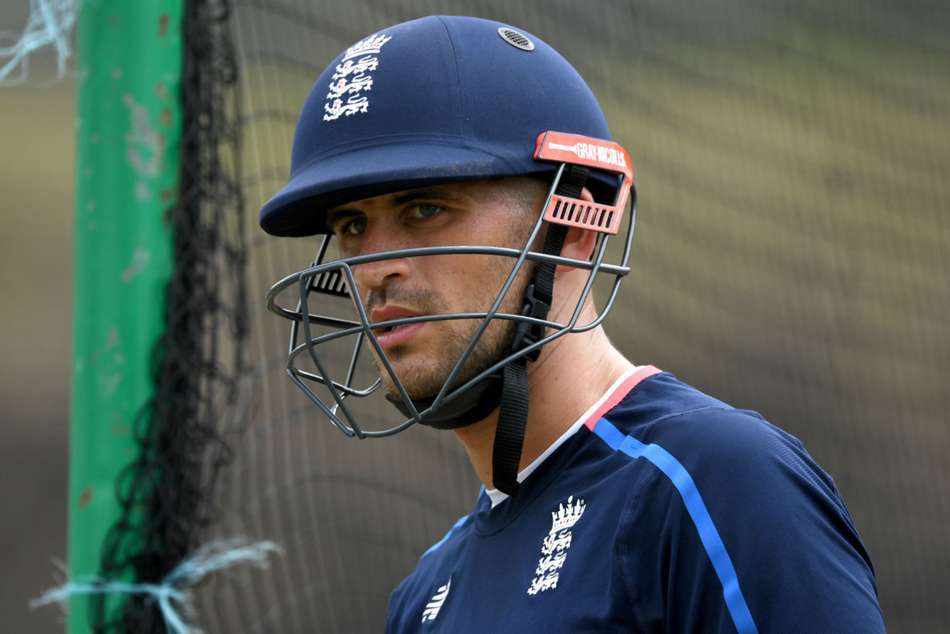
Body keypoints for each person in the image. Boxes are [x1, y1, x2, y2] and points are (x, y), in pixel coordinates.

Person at [259, 15, 886, 633]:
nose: (374, 269)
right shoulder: (424, 597)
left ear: (574, 228)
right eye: (352, 226)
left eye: (425, 209)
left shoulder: (716, 480)